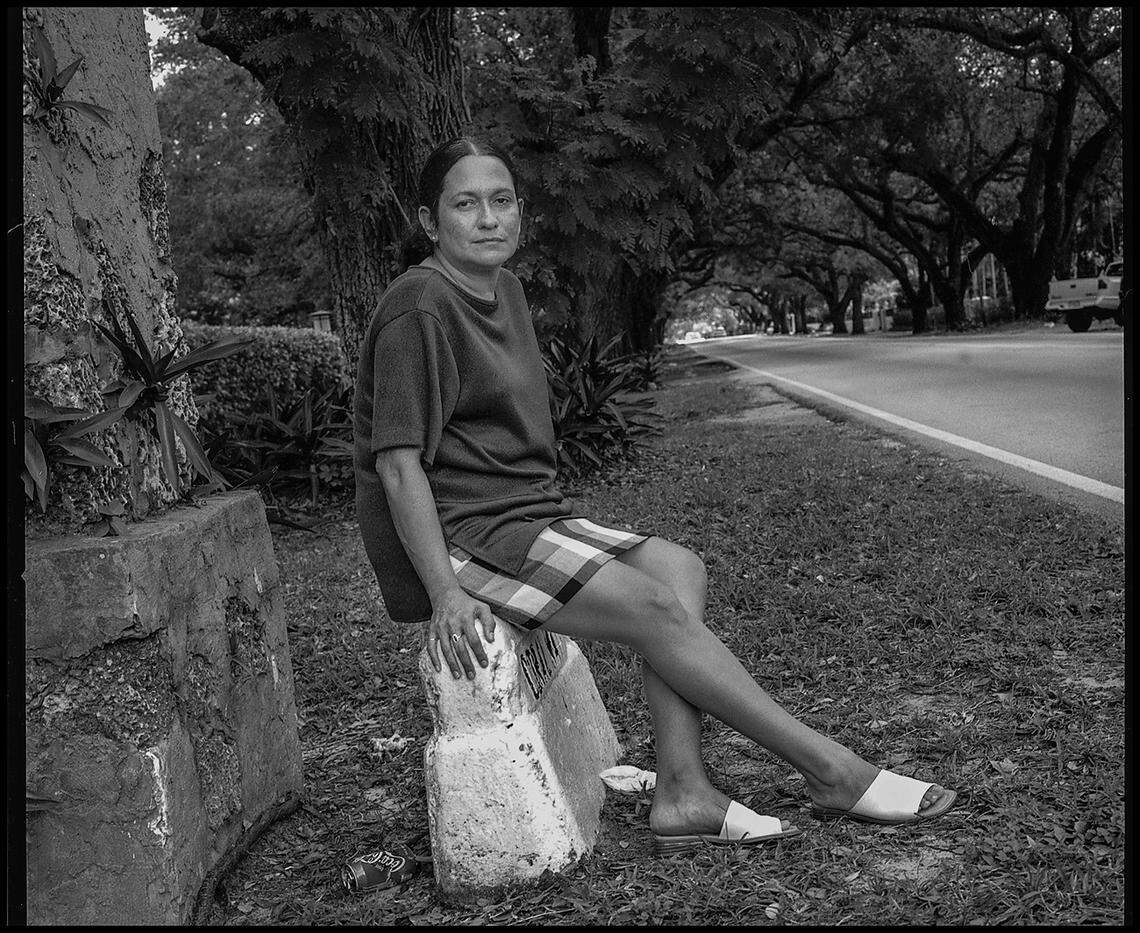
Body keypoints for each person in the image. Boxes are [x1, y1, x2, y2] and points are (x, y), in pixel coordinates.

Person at [352, 136, 956, 854]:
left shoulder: (503, 290)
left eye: (502, 199)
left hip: (521, 515)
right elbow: (396, 467)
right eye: (465, 203)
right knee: (656, 608)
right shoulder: (418, 307)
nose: (488, 218)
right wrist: (446, 592)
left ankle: (683, 790)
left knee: (678, 570)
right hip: (462, 535)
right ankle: (831, 768)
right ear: (429, 220)